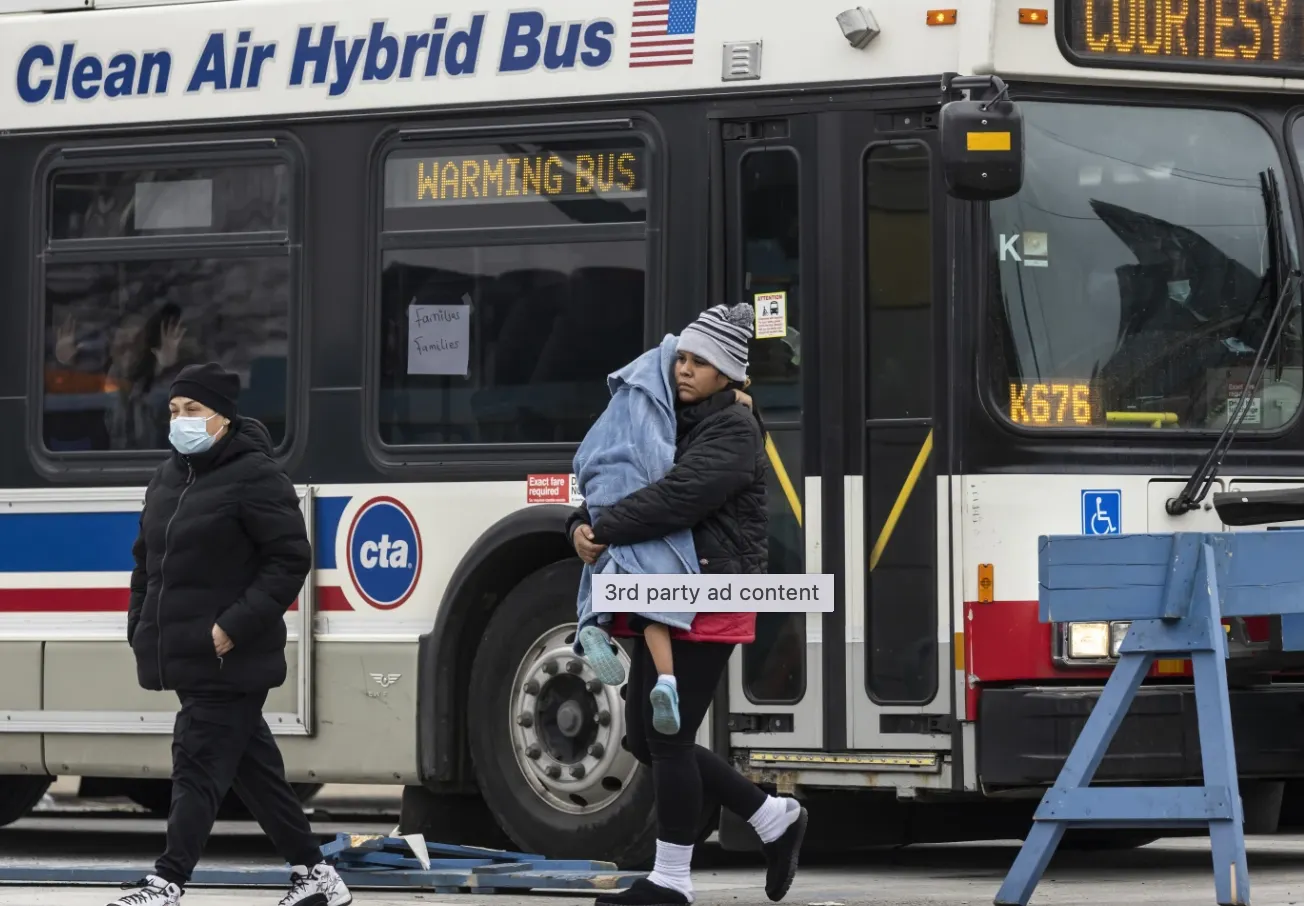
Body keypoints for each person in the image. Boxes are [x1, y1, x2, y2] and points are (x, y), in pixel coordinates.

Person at [566, 303, 808, 906]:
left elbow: (680, 496)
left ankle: (672, 880)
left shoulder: (733, 430)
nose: (685, 369)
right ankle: (772, 816)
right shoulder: (669, 416)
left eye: (701, 362)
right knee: (647, 742)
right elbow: (616, 473)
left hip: (710, 594)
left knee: (668, 741)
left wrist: (607, 528)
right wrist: (577, 524)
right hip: (666, 594)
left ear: (728, 372)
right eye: (681, 358)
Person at [110, 363, 351, 906]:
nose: (181, 421)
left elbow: (290, 559)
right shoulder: (168, 477)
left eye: (192, 410)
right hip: (186, 651)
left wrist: (231, 626)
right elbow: (146, 560)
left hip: (230, 654)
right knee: (252, 769)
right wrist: (139, 622)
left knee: (195, 760)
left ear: (222, 416)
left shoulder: (255, 475)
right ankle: (316, 876)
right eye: (174, 411)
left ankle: (167, 880)